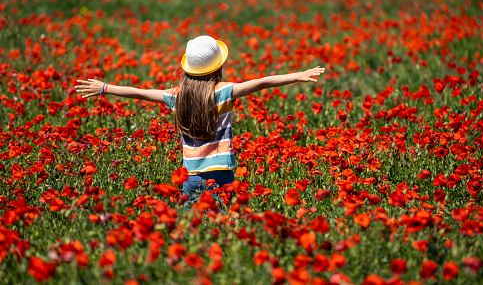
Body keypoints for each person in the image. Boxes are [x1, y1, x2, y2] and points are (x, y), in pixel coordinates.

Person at [75, 35, 325, 206]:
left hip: (191, 174)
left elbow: (140, 93)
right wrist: (298, 75)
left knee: (196, 223)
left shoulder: (177, 97)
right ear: (218, 67)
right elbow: (261, 82)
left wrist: (105, 87)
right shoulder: (224, 91)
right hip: (221, 171)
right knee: (222, 220)